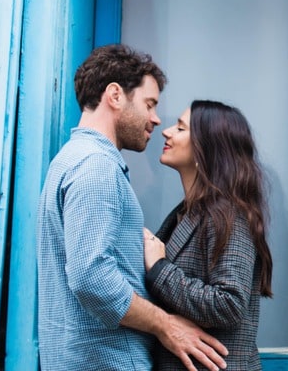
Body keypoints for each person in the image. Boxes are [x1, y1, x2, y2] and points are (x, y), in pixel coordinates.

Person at [37, 44, 229, 371]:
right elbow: (90, 276)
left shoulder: (70, 160)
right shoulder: (96, 167)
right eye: (149, 104)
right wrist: (165, 324)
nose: (156, 119)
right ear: (115, 95)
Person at [143, 100, 275, 371]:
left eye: (180, 128)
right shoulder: (187, 213)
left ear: (206, 148)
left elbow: (229, 303)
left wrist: (159, 269)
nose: (166, 132)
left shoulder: (229, 216)